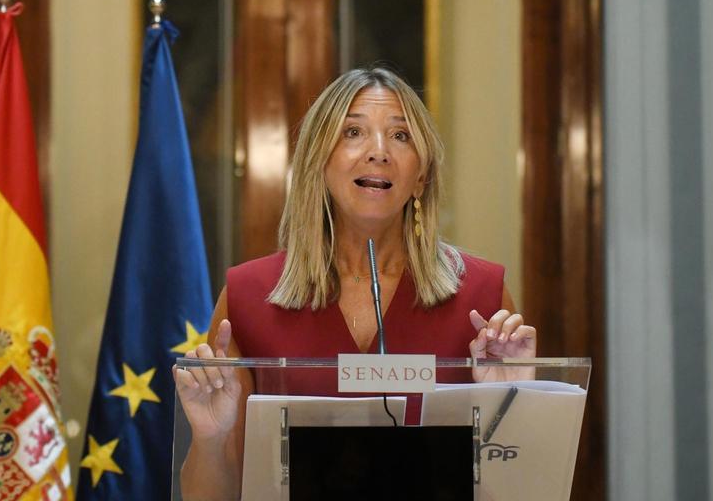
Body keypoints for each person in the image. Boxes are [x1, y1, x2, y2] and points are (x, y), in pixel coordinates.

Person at [174, 67, 536, 499]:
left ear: (421, 176)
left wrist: (511, 408)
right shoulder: (249, 298)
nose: (378, 151)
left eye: (400, 136)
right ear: (319, 164)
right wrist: (211, 438)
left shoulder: (482, 297)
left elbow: (521, 486)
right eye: (353, 132)